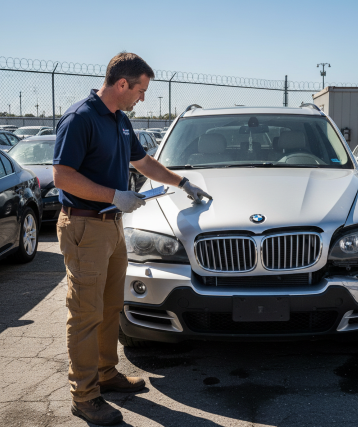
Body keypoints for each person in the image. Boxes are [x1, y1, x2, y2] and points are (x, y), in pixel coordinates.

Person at [53, 52, 211, 426]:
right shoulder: (81, 118)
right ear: (121, 84)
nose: (142, 98)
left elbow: (143, 163)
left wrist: (182, 183)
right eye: (140, 90)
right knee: (86, 314)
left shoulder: (120, 121)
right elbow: (62, 176)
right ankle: (84, 395)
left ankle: (106, 374)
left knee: (110, 308)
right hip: (84, 226)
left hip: (111, 227)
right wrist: (114, 196)